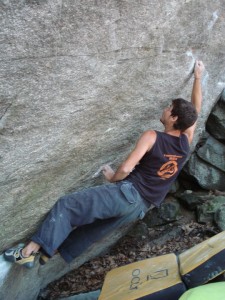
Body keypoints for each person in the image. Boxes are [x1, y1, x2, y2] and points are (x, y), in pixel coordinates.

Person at [4, 60, 205, 268]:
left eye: (168, 108)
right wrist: (197, 78)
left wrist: (113, 177)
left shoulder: (152, 136)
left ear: (173, 118)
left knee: (68, 204)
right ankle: (48, 253)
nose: (165, 109)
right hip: (139, 209)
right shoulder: (184, 142)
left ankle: (27, 252)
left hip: (127, 194)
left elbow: (126, 168)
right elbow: (196, 110)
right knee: (88, 231)